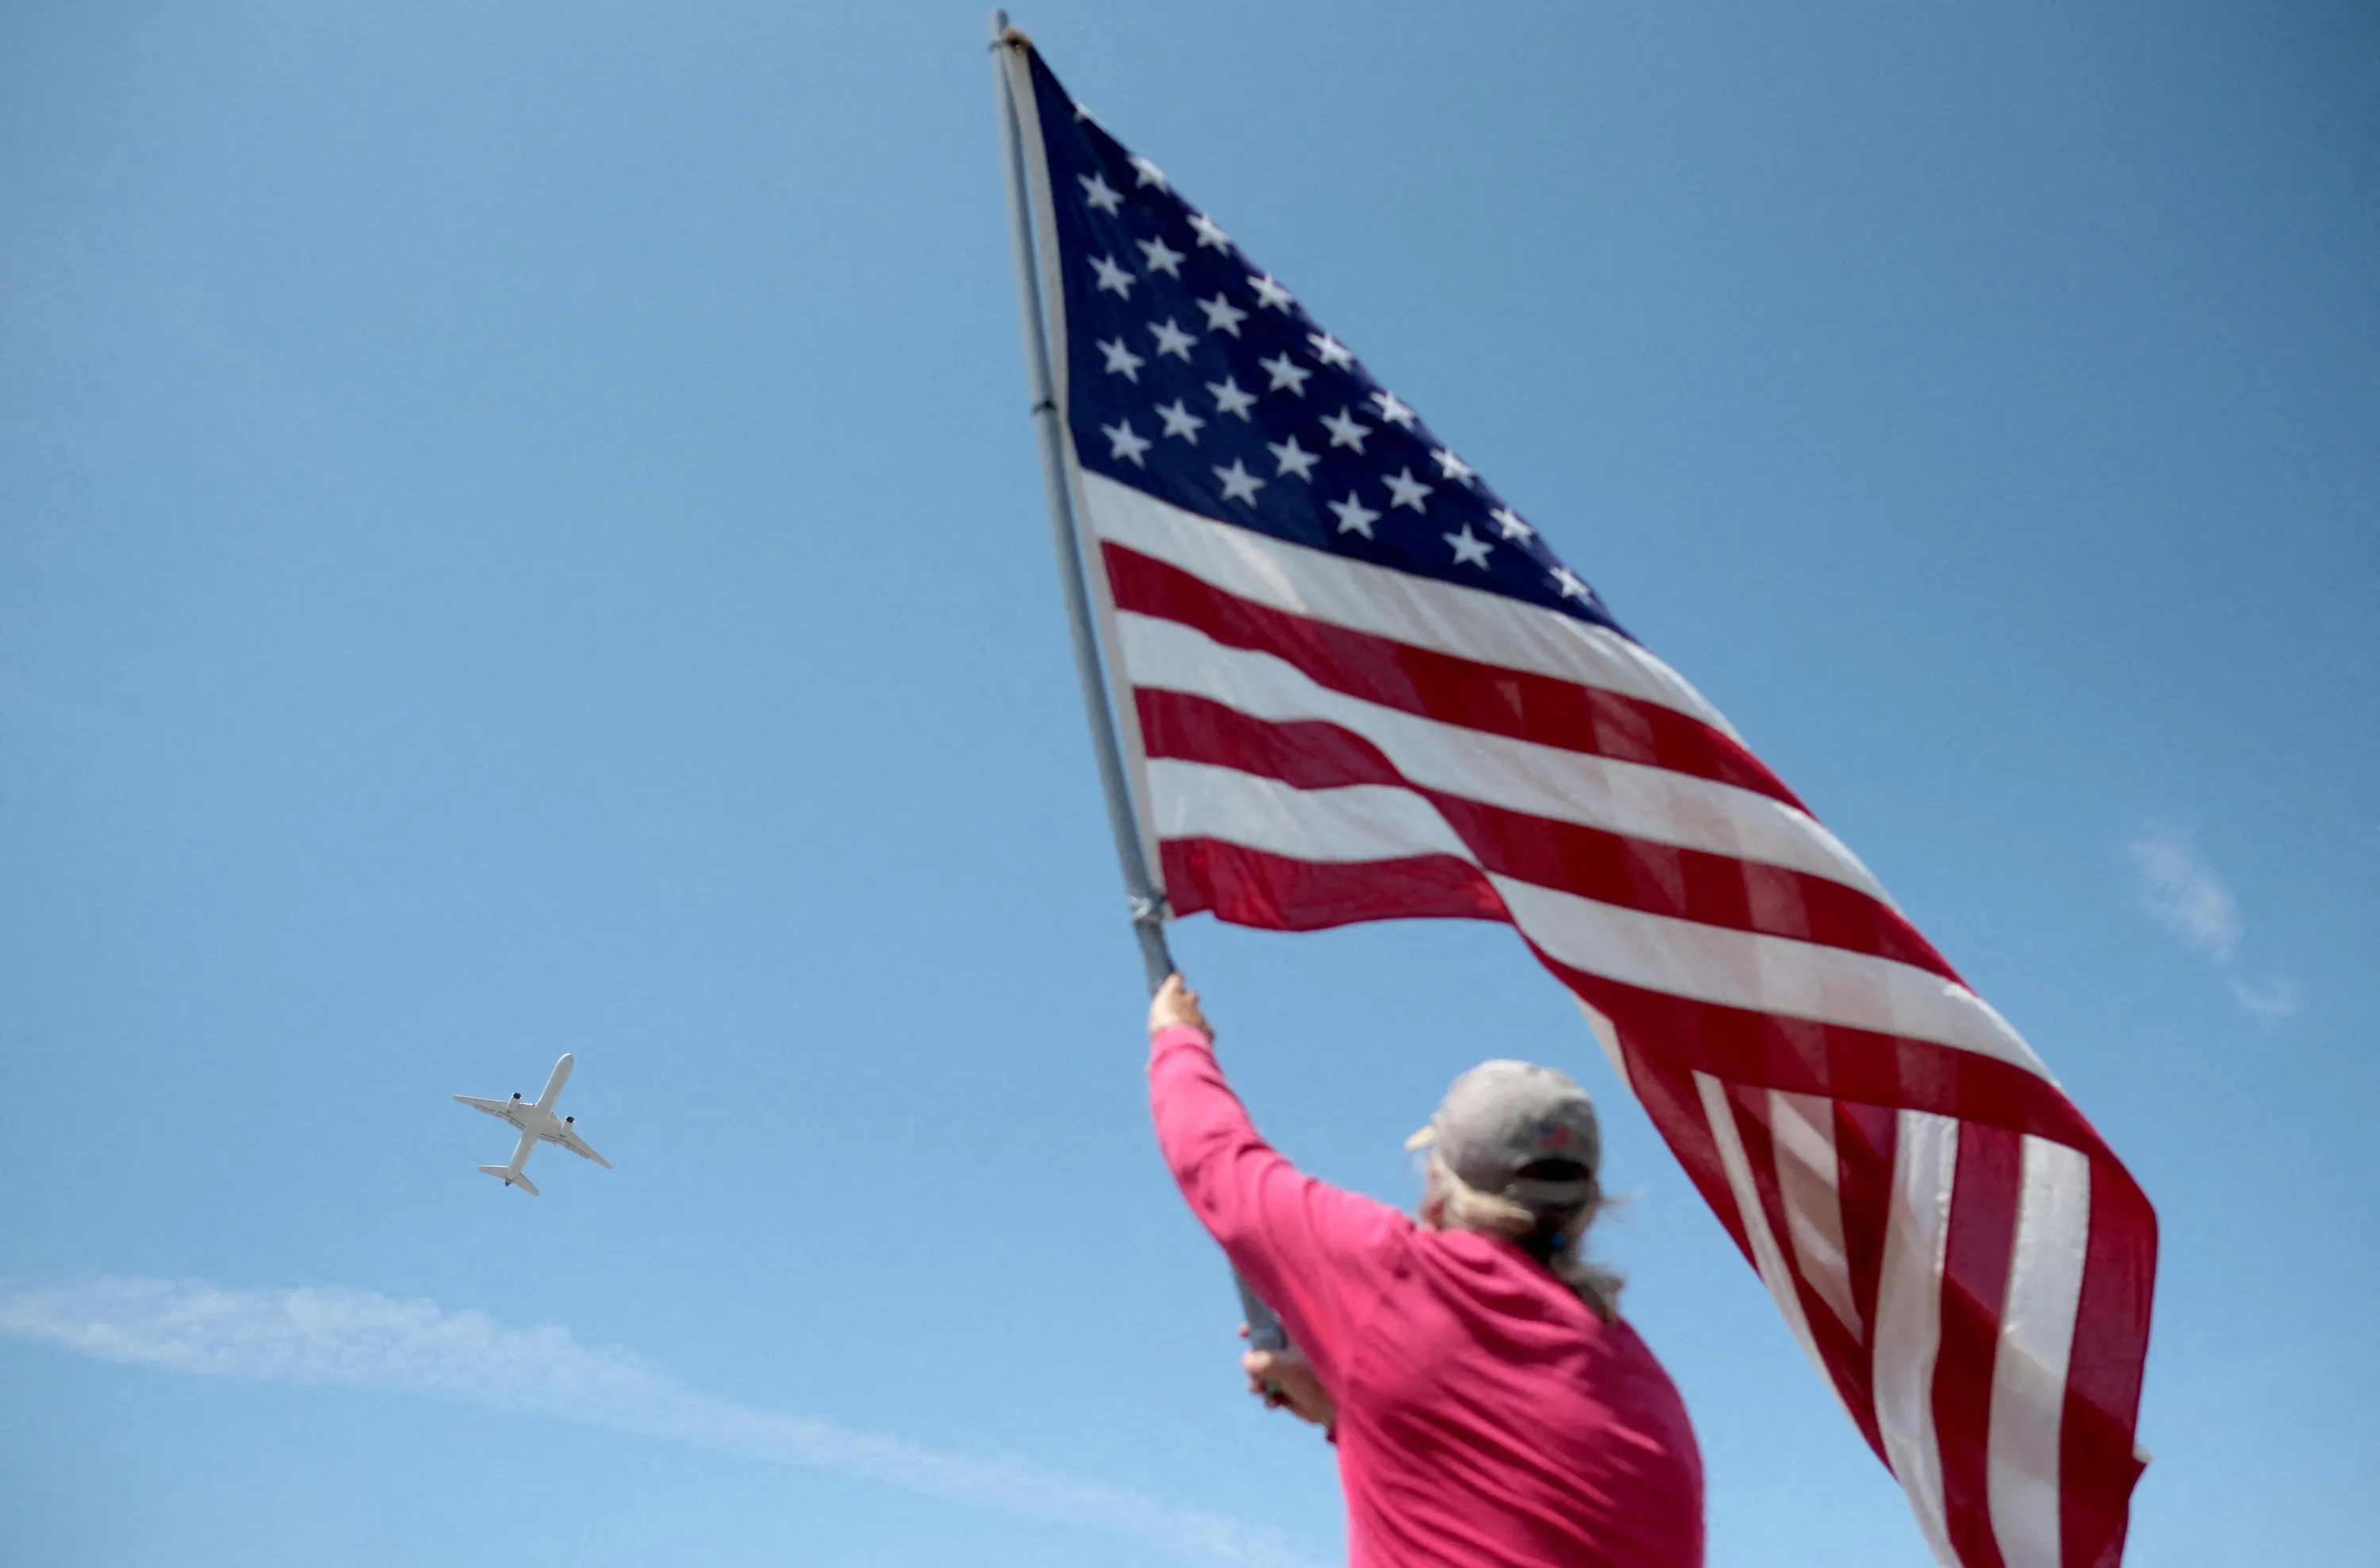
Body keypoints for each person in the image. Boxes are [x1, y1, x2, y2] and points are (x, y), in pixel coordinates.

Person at [1147, 973, 1704, 1568]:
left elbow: (1214, 1160)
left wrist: (1176, 1036)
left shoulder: (1398, 1275)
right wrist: (1353, 1409)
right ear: (1589, 1204)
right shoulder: (1653, 1397)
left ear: (1441, 1180)